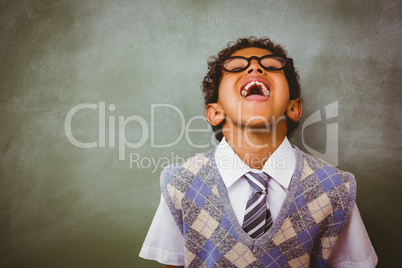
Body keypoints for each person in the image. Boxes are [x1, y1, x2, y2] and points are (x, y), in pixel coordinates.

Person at [139, 37, 378, 267]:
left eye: (271, 66)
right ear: (215, 112)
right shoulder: (181, 183)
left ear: (293, 108)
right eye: (236, 67)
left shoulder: (335, 188)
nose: (255, 67)